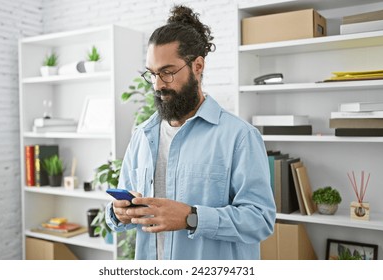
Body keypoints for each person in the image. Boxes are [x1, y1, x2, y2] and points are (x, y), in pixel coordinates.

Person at [105, 5, 275, 260]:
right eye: (152, 74)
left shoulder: (240, 137)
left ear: (197, 66)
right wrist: (118, 212)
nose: (158, 84)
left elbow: (260, 220)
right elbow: (124, 207)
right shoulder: (142, 135)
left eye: (168, 72)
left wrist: (190, 217)